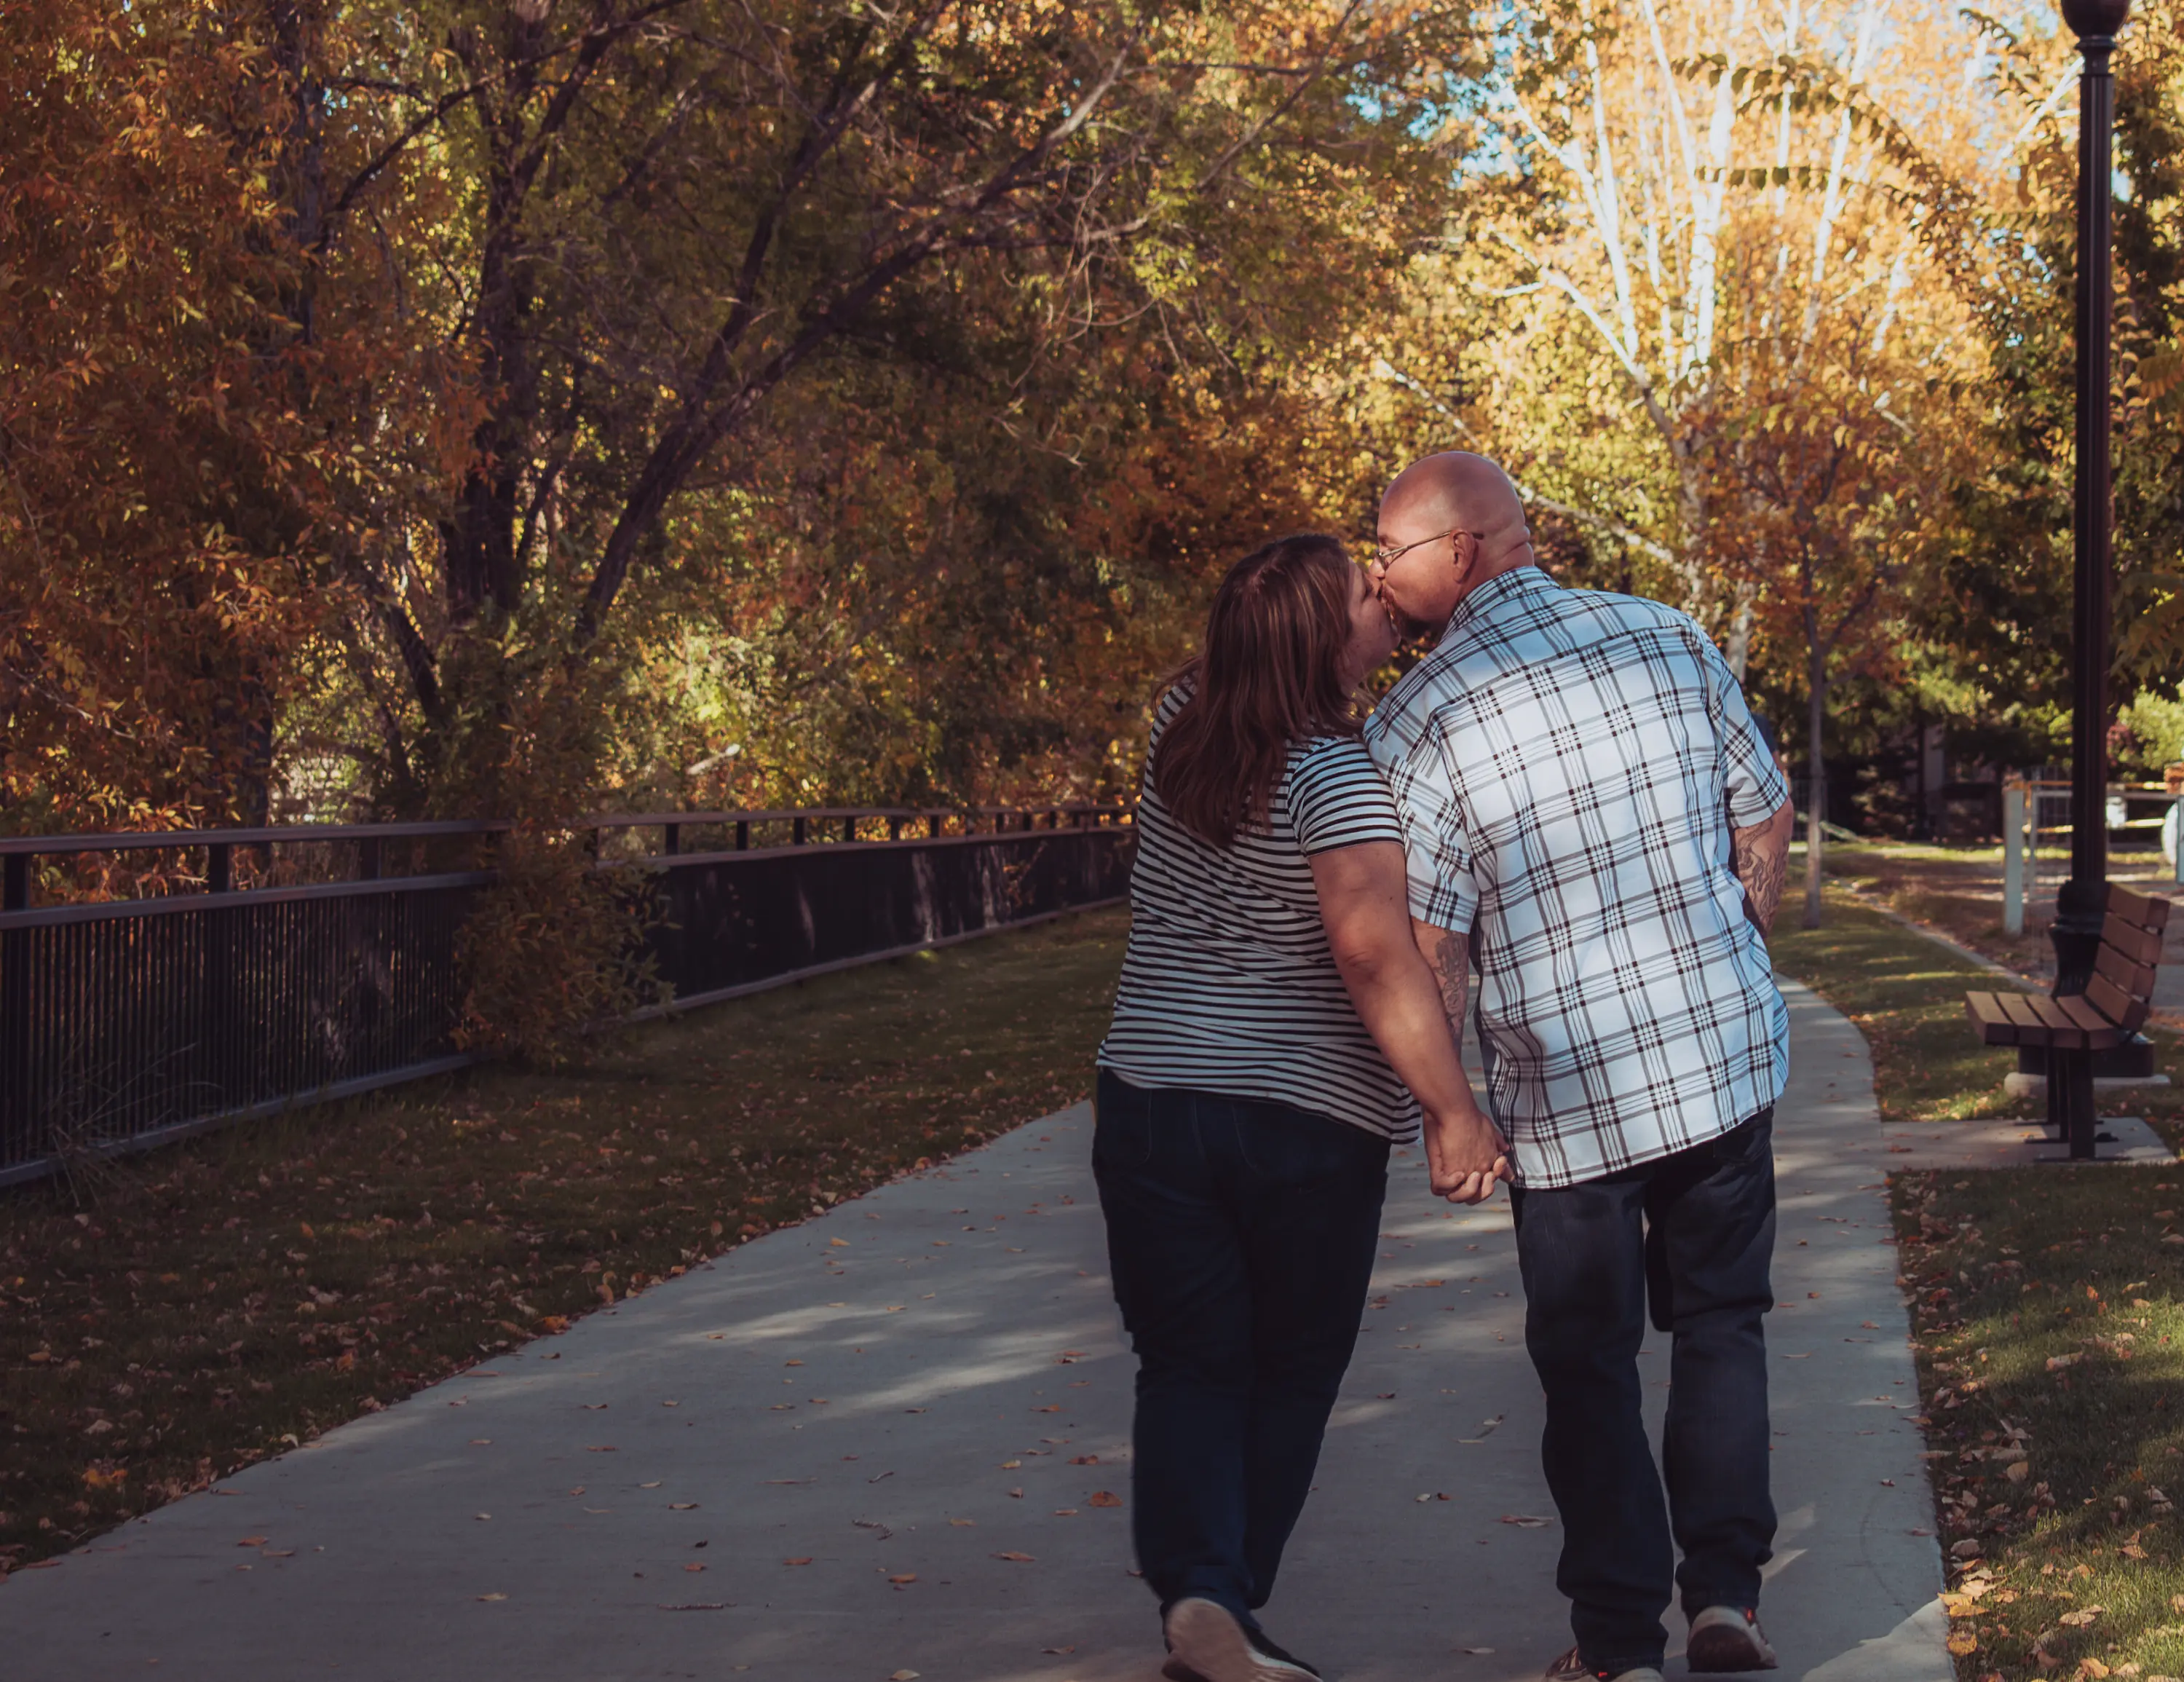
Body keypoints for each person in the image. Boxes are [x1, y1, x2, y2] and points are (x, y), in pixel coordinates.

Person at [1363, 454, 1797, 1682]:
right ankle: (1726, 1601)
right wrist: (1740, 940)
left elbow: (1434, 941)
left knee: (1588, 1364)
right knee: (1722, 1325)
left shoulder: (1421, 715)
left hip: (1567, 1100)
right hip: (1720, 1056)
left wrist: (1449, 1106)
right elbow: (1762, 805)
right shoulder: (1664, 633)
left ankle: (1617, 1646)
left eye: (1389, 556)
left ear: (1456, 552)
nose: (1380, 583)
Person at [1095, 532, 1511, 1682]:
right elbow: (1376, 960)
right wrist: (1453, 1112)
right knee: (1287, 1368)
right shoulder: (1334, 779)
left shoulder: (1178, 725)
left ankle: (1200, 1599)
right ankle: (1222, 1602)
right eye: (1366, 598)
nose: (1387, 602)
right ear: (1325, 641)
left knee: (1184, 1361)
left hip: (1149, 1097)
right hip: (1298, 1120)